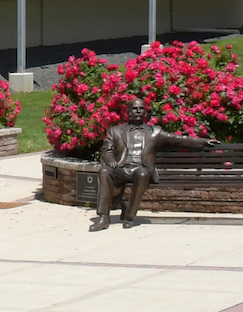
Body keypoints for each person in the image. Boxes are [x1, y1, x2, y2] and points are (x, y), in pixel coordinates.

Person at [90, 95, 214, 231]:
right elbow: (107, 150)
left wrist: (203, 142)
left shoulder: (155, 132)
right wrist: (110, 160)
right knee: (104, 171)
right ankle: (104, 217)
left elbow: (178, 140)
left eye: (141, 109)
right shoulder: (115, 131)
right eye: (134, 109)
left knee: (143, 173)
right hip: (121, 168)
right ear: (128, 112)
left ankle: (129, 217)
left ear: (145, 113)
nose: (138, 111)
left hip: (141, 169)